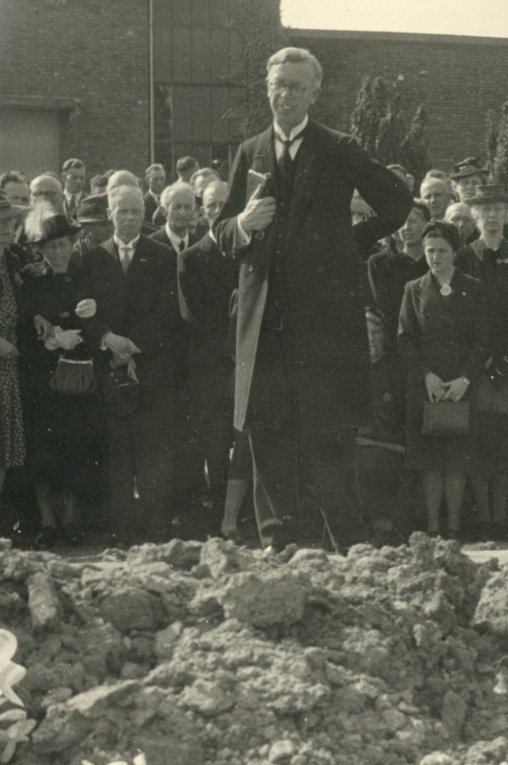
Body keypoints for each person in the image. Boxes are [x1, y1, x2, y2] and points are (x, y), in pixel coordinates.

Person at [213, 46, 413, 551]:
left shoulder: (338, 146)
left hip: (324, 324)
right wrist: (240, 225)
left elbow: (397, 200)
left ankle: (346, 545)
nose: (286, 95)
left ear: (314, 93)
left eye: (297, 87)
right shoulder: (249, 151)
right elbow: (219, 230)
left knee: (329, 436)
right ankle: (279, 545)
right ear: (268, 89)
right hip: (265, 326)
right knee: (269, 437)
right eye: (279, 85)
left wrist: (351, 244)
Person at [72, 186, 179, 545]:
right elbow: (84, 310)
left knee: (152, 450)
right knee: (117, 453)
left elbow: (167, 311)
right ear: (110, 215)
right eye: (123, 212)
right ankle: (121, 531)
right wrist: (108, 339)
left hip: (150, 366)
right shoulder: (92, 258)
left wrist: (132, 346)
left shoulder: (162, 256)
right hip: (109, 368)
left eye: (136, 211)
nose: (130, 218)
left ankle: (156, 530)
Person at [456, 185, 508, 538]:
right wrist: (474, 362)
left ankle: (502, 518)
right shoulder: (462, 257)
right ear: (475, 215)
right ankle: (480, 518)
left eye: (498, 210)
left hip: (507, 365)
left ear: (507, 216)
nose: (491, 216)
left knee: (503, 444)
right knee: (474, 443)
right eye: (484, 209)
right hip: (470, 366)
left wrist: (506, 356)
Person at [17, 209, 101, 547]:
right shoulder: (31, 278)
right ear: (40, 249)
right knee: (44, 451)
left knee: (77, 447)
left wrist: (80, 332)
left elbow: (100, 318)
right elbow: (23, 325)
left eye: (63, 245)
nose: (57, 253)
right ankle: (47, 522)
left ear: (73, 243)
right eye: (49, 247)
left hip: (80, 375)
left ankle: (71, 518)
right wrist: (50, 338)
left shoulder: (86, 274)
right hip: (43, 378)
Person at [397, 221, 485, 539]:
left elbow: (481, 340)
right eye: (430, 251)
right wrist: (426, 376)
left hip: (461, 385)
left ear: (454, 253)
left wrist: (465, 379)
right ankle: (434, 527)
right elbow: (405, 338)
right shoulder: (414, 289)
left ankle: (455, 526)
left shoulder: (473, 287)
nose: (435, 257)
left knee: (458, 459)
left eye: (442, 251)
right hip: (429, 388)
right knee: (431, 460)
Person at [361, 202, 431, 544]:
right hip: (394, 362)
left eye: (415, 221)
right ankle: (386, 520)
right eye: (402, 222)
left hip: (430, 361)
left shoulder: (433, 263)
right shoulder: (380, 264)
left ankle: (419, 519)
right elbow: (380, 312)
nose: (408, 228)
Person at [177, 180, 238, 534]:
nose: (218, 212)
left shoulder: (250, 253)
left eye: (225, 205)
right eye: (212, 206)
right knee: (214, 446)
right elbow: (194, 319)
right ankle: (216, 517)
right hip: (212, 371)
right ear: (202, 213)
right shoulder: (191, 258)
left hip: (248, 368)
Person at [0, 199, 29, 523]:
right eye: (1, 223)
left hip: (7, 373)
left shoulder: (10, 262)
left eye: (10, 223)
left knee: (3, 454)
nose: (7, 230)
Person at [149, 182, 200, 253]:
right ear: (163, 210)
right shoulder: (150, 245)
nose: (183, 213)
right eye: (177, 207)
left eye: (187, 207)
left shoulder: (199, 245)